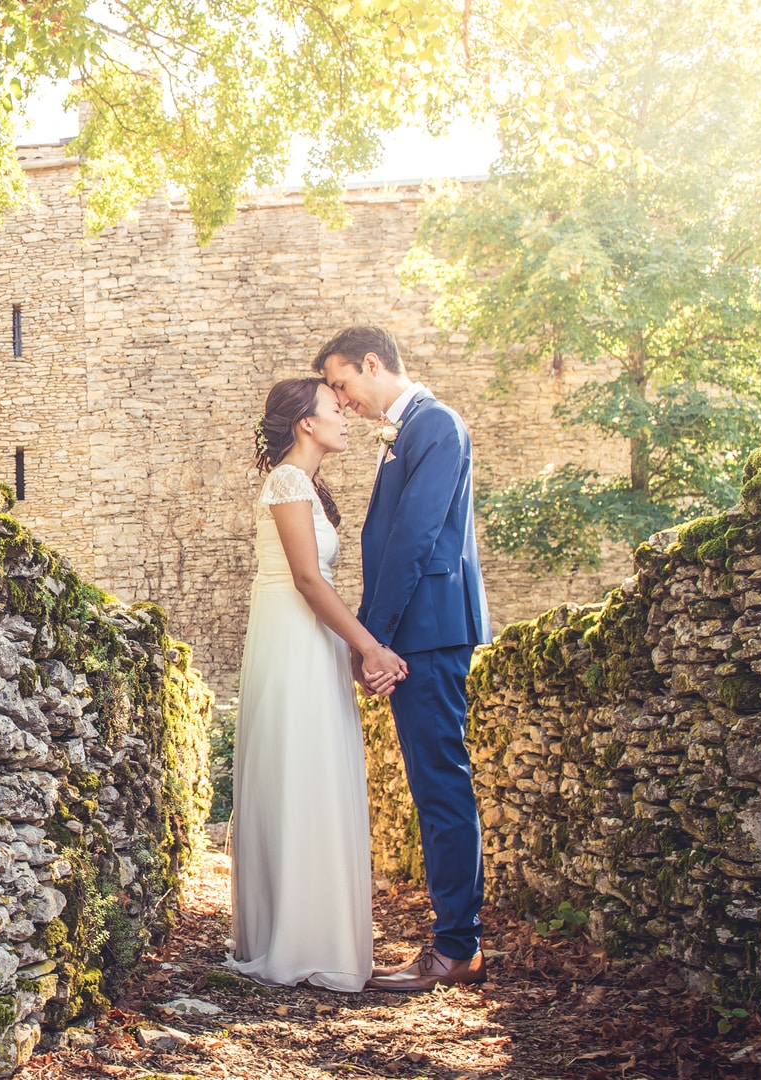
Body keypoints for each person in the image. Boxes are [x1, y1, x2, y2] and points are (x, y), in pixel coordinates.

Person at [316, 325, 492, 992]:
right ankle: (454, 941)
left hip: (430, 629)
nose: (342, 397)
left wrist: (373, 640)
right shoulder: (409, 430)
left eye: (342, 382)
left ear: (371, 363)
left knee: (442, 783)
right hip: (413, 629)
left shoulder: (435, 425)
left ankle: (457, 948)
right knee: (431, 782)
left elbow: (417, 537)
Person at [226, 376, 404, 992]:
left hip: (316, 639)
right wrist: (370, 647)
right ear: (305, 421)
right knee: (301, 770)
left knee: (320, 771)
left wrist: (350, 646)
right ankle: (298, 940)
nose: (346, 415)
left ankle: (321, 932)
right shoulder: (286, 481)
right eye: (335, 408)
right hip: (292, 638)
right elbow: (307, 578)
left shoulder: (309, 486)